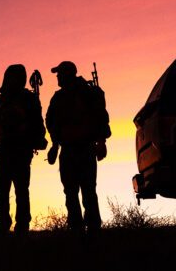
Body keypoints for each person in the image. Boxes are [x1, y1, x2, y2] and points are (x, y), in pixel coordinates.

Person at [45, 60, 111, 235]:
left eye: (59, 74)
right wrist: (55, 144)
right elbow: (51, 122)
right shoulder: (60, 97)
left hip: (83, 149)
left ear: (67, 74)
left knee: (86, 191)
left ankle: (90, 230)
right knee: (73, 192)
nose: (58, 77)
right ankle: (79, 230)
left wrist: (101, 142)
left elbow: (100, 117)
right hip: (70, 150)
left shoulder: (86, 93)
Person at [0, 64, 47, 235]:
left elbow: (38, 125)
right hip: (4, 151)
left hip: (21, 152)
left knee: (21, 191)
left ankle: (21, 227)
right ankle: (3, 225)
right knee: (2, 192)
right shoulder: (0, 100)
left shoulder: (28, 99)